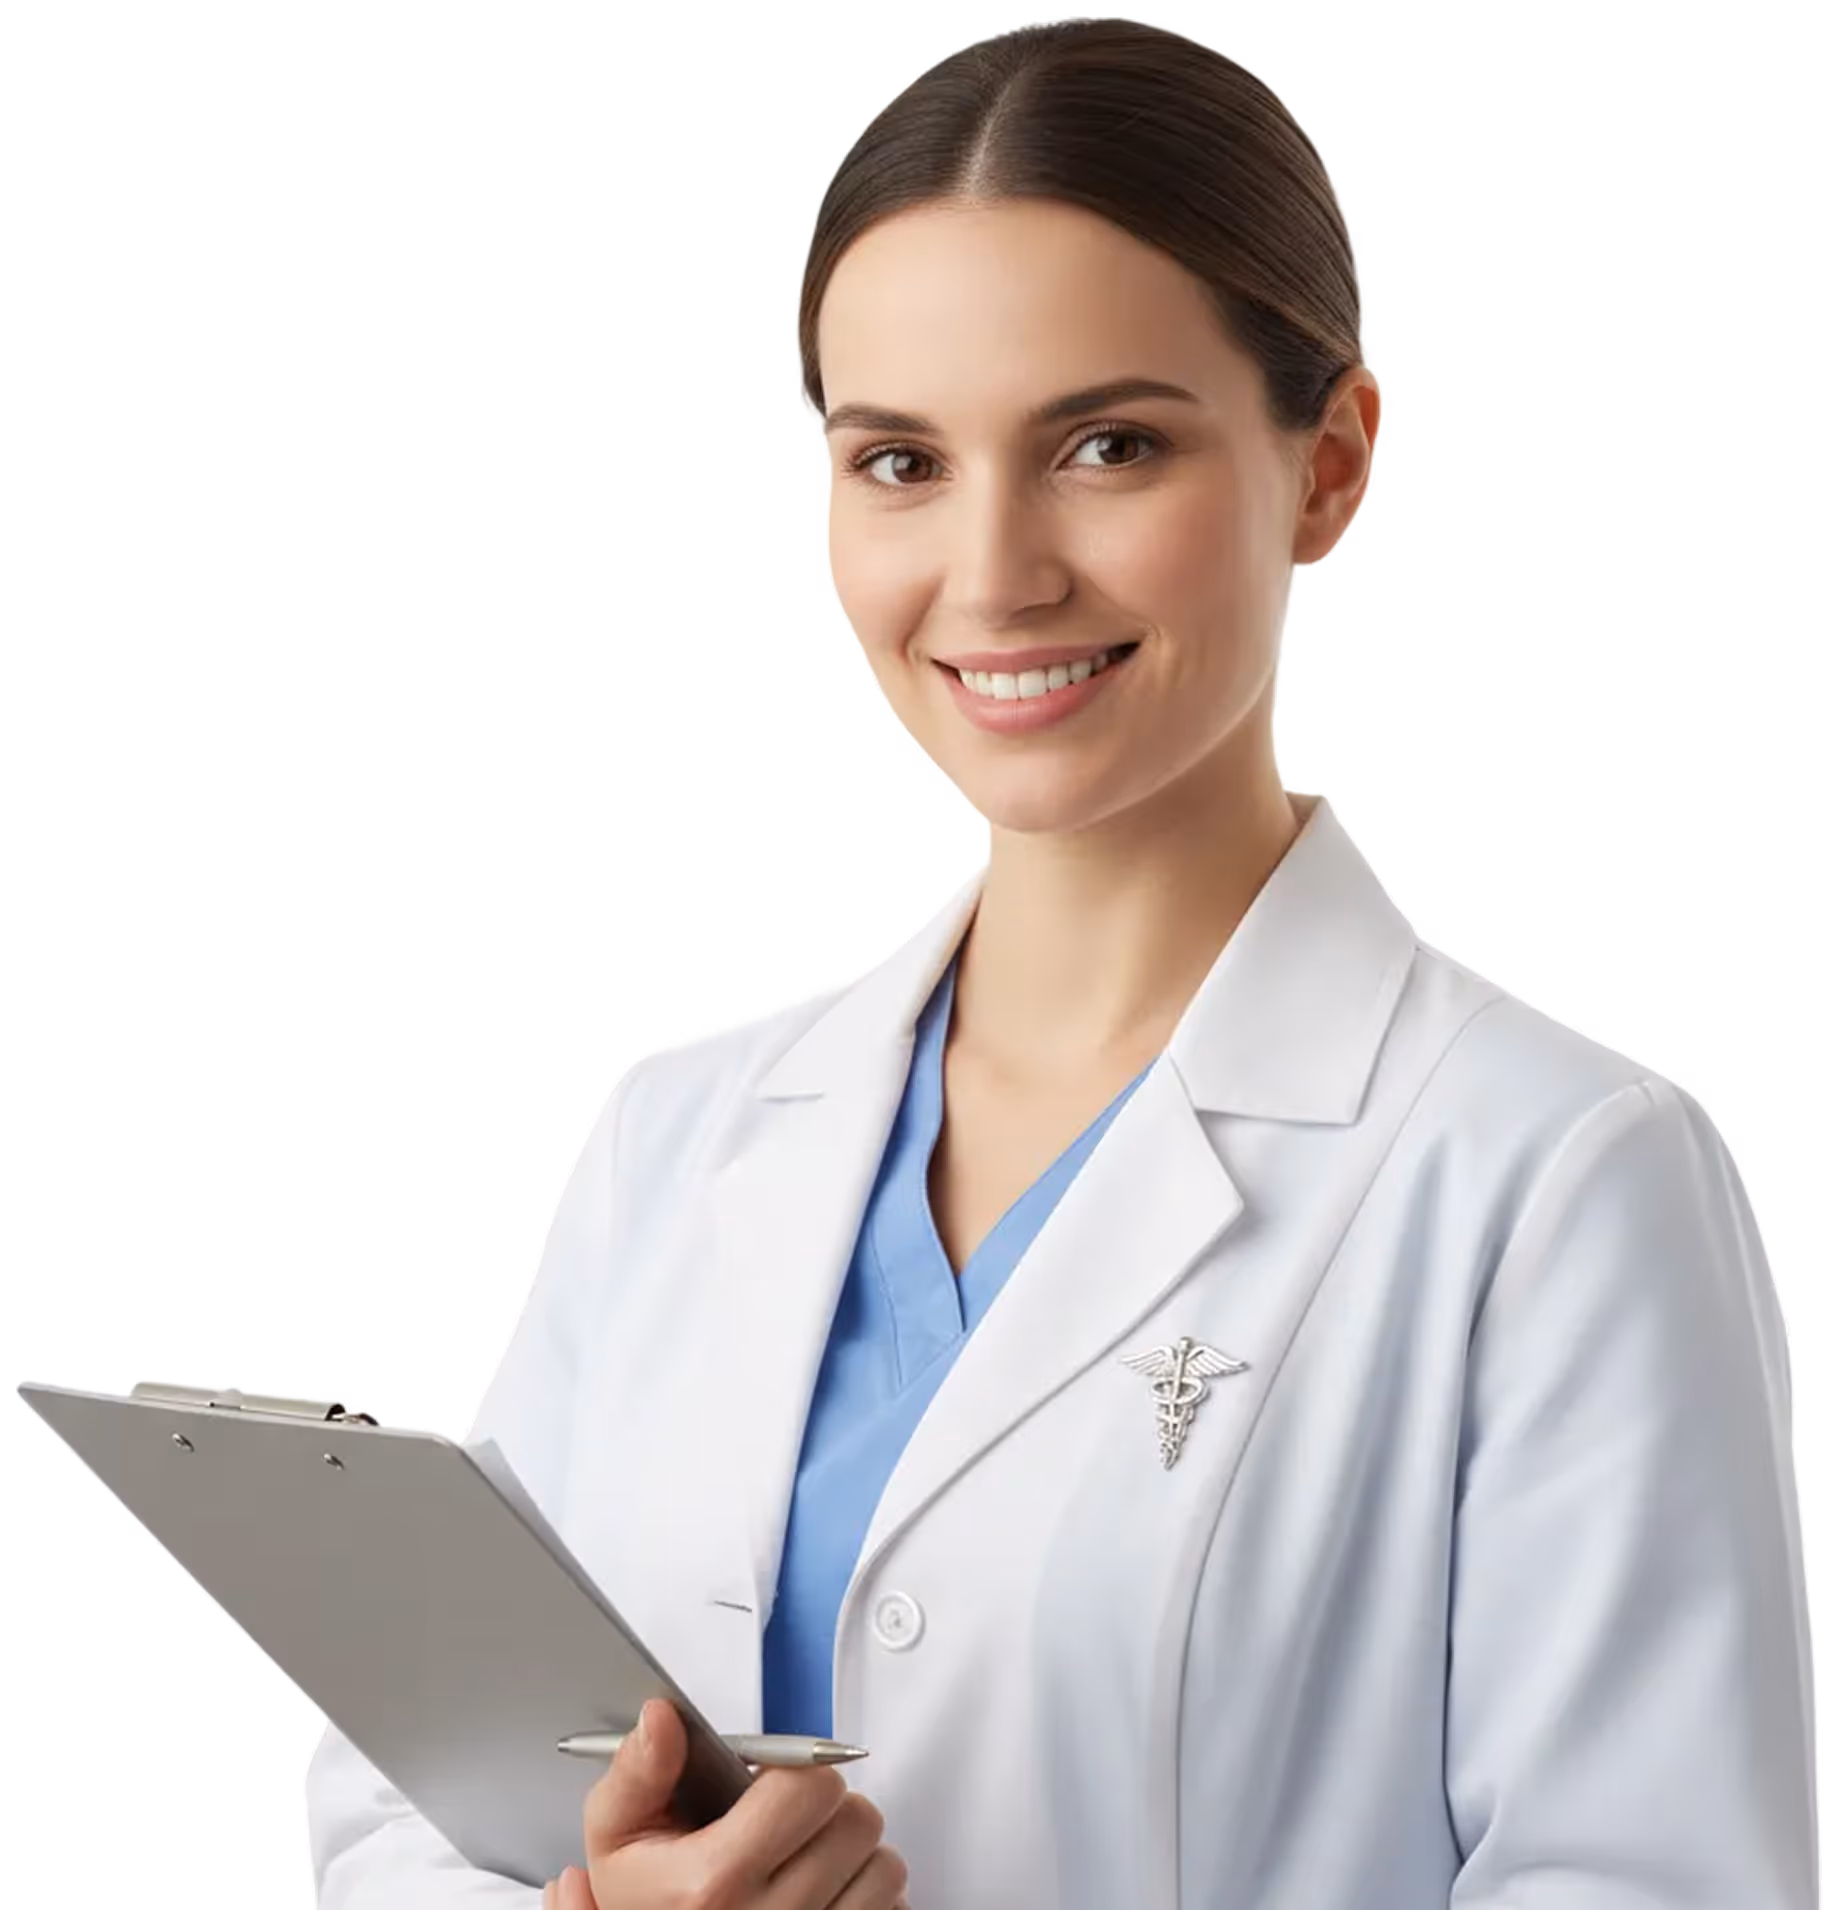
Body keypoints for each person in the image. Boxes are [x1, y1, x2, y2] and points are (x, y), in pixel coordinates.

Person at [306, 18, 1816, 1908]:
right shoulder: (682, 1127)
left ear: (1330, 466)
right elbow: (398, 1803)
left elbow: (1651, 1880)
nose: (996, 572)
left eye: (1107, 445)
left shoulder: (1557, 1178)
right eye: (900, 461)